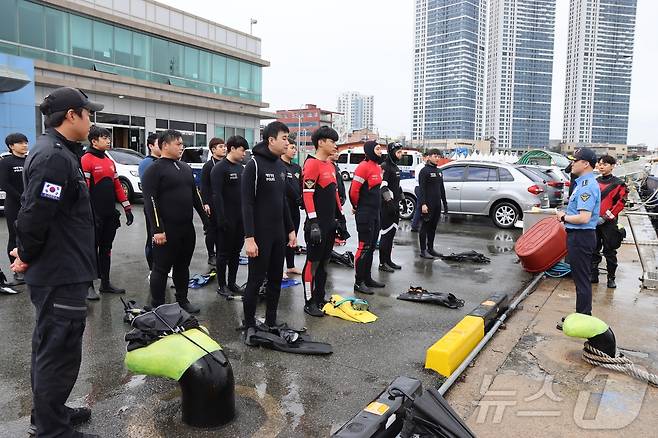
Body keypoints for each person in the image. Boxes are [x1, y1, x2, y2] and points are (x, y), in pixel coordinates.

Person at [12, 87, 102, 438]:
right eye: (87, 113)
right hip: (59, 271)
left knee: (50, 344)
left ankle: (49, 412)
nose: (91, 120)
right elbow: (35, 214)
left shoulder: (59, 151)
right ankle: (52, 429)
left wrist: (27, 253)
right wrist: (27, 255)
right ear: (71, 116)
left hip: (62, 268)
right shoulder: (54, 157)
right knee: (59, 350)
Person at [241, 121, 296, 345]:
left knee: (275, 279)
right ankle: (249, 324)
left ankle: (271, 321)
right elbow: (247, 204)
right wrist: (249, 237)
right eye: (284, 138)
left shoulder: (280, 167)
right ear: (270, 140)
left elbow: (282, 202)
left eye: (288, 138)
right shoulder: (253, 165)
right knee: (255, 281)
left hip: (278, 233)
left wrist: (291, 229)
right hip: (260, 235)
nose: (287, 142)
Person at [141, 129, 207, 314]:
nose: (181, 147)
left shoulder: (184, 167)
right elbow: (150, 201)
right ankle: (158, 304)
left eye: (182, 144)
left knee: (182, 266)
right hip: (166, 230)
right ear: (164, 145)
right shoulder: (154, 170)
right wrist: (157, 229)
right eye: (178, 144)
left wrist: (206, 221)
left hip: (186, 229)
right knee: (160, 268)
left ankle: (182, 299)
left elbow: (196, 197)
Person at [81, 125, 134, 300]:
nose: (108, 140)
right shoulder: (86, 160)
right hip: (93, 214)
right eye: (104, 138)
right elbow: (84, 191)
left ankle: (105, 283)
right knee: (90, 249)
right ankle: (88, 286)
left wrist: (127, 208)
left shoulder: (109, 162)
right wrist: (86, 213)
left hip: (109, 213)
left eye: (108, 137)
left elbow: (118, 187)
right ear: (94, 141)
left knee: (107, 248)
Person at [301, 126, 348, 317]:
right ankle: (309, 301)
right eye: (332, 142)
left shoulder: (330, 165)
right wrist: (313, 222)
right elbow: (307, 195)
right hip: (316, 225)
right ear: (321, 142)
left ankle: (320, 297)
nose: (335, 146)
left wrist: (341, 218)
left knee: (325, 263)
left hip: (329, 223)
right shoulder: (311, 164)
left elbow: (335, 194)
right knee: (313, 262)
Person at [556, 148, 601, 315]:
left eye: (575, 161)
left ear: (585, 163)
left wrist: (563, 217)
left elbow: (583, 218)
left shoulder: (586, 186)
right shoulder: (583, 183)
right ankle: (581, 315)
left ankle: (583, 317)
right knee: (580, 279)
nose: (572, 164)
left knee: (582, 280)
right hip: (579, 236)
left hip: (581, 237)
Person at [211, 135, 248, 297]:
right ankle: (222, 285)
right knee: (223, 253)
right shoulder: (219, 168)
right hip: (226, 219)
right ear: (232, 149)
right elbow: (216, 195)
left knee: (236, 253)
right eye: (242, 150)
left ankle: (232, 282)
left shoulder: (242, 168)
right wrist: (221, 218)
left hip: (240, 219)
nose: (244, 154)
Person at [349, 140, 385, 295]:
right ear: (370, 150)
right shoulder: (363, 167)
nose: (380, 151)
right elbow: (353, 191)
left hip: (375, 213)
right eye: (377, 149)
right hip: (365, 213)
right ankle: (359, 282)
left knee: (371, 247)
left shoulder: (377, 167)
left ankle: (367, 278)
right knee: (363, 247)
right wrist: (358, 207)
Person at [591, 155, 627, 289]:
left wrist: (606, 217)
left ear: (612, 166)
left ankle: (611, 278)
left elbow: (620, 203)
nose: (601, 166)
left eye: (605, 164)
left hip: (609, 223)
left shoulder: (619, 184)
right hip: (594, 221)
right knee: (593, 248)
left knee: (610, 251)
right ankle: (593, 275)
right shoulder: (594, 181)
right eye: (600, 164)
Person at [0, 133, 28, 285]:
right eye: (20, 143)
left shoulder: (30, 160)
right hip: (14, 205)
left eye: (26, 142)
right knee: (14, 236)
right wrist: (21, 198)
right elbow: (4, 184)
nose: (25, 145)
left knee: (29, 236)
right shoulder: (6, 162)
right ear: (11, 146)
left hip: (30, 205)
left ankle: (27, 266)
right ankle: (16, 270)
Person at [417, 149, 448, 259]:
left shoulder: (439, 171)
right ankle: (423, 250)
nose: (437, 158)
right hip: (427, 204)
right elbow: (422, 189)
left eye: (438, 156)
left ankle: (431, 248)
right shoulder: (424, 171)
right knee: (425, 227)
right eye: (435, 156)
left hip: (436, 204)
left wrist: (445, 203)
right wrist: (423, 204)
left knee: (433, 228)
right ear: (429, 157)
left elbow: (442, 188)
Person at [200, 138, 226, 266]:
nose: (224, 148)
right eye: (221, 146)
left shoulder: (227, 164)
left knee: (223, 230)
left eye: (224, 146)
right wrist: (205, 203)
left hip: (224, 204)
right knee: (211, 230)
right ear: (213, 150)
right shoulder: (208, 166)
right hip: (211, 203)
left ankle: (222, 253)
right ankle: (211, 255)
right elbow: (203, 186)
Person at [379, 142, 404, 272]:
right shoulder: (385, 166)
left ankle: (388, 260)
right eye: (398, 152)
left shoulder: (396, 167)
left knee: (392, 234)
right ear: (391, 152)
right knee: (386, 235)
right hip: (387, 207)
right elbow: (383, 187)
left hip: (395, 206)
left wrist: (403, 200)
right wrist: (388, 202)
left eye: (401, 152)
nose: (400, 154)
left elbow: (397, 186)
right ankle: (382, 263)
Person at [138, 133, 160, 271]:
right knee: (153, 238)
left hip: (165, 208)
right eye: (159, 144)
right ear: (151, 146)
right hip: (152, 206)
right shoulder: (147, 163)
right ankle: (153, 268)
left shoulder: (162, 161)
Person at [282, 138, 303, 278]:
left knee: (293, 238)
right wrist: (296, 197)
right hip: (284, 207)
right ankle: (279, 267)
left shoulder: (296, 168)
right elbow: (285, 186)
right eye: (291, 147)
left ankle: (291, 266)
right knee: (283, 238)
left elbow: (301, 185)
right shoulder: (279, 165)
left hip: (295, 208)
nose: (294, 150)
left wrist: (301, 199)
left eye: (295, 148)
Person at [411, 151, 429, 232]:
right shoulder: (420, 167)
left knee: (422, 207)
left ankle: (417, 225)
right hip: (419, 187)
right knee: (419, 207)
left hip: (424, 188)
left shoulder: (427, 166)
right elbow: (418, 178)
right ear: (424, 157)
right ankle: (414, 226)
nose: (428, 159)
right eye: (427, 157)